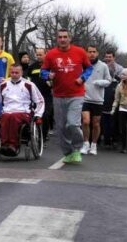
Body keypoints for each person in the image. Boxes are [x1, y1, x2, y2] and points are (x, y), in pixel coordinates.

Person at [42, 29, 92, 164]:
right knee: (61, 127)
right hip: (58, 95)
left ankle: (77, 148)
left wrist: (83, 78)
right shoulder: (51, 54)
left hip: (76, 94)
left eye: (65, 37)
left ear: (69, 39)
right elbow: (43, 70)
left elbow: (89, 68)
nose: (62, 39)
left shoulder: (80, 51)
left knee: (73, 123)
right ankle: (68, 152)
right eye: (60, 37)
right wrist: (48, 75)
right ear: (57, 39)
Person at [0, 65, 45, 156]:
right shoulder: (3, 85)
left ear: (21, 73)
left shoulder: (29, 85)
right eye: (12, 72)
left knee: (13, 117)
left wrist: (38, 115)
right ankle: (4, 144)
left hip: (24, 112)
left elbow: (40, 101)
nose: (14, 74)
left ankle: (13, 145)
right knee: (6, 117)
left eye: (16, 73)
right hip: (7, 111)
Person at [80, 45, 111, 155]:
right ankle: (85, 143)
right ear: (86, 53)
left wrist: (99, 82)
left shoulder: (103, 66)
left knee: (96, 124)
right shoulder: (82, 65)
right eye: (89, 51)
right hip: (85, 98)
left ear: (97, 53)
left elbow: (108, 81)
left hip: (97, 99)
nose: (91, 54)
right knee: (85, 121)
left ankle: (94, 145)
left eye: (94, 51)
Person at [28, 47, 53, 141]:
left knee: (45, 115)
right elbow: (27, 78)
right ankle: (34, 135)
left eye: (40, 54)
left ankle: (44, 135)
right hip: (35, 96)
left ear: (45, 54)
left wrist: (51, 83)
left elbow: (56, 78)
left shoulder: (50, 66)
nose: (38, 56)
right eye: (37, 54)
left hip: (46, 95)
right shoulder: (32, 66)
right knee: (34, 116)